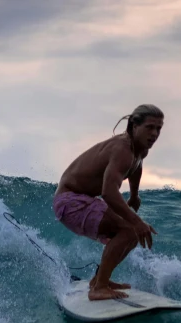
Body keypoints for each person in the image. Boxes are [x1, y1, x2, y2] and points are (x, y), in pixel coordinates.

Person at [53, 104, 163, 301]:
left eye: (159, 128)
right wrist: (137, 221)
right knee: (130, 229)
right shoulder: (122, 149)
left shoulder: (139, 149)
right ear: (133, 126)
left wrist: (135, 195)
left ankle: (98, 281)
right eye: (150, 127)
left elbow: (136, 166)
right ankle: (99, 288)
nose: (155, 133)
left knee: (131, 232)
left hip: (83, 199)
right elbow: (108, 192)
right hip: (70, 201)